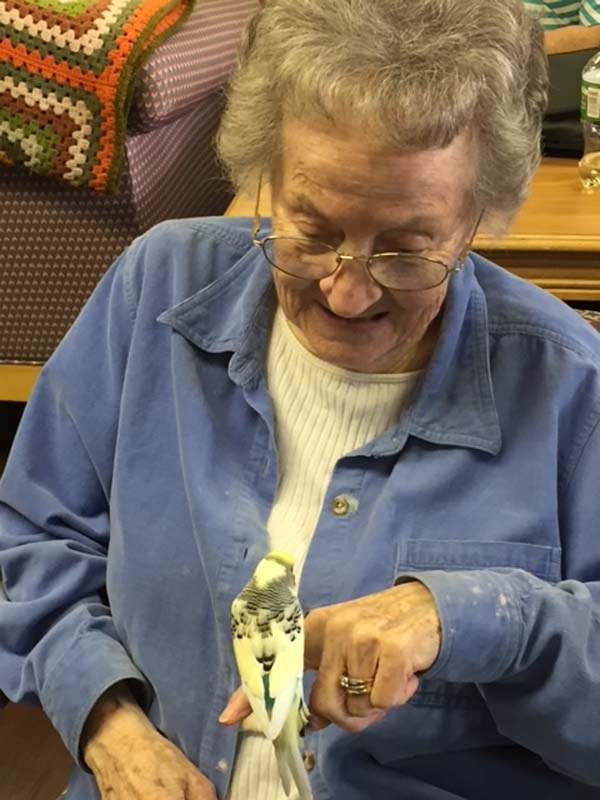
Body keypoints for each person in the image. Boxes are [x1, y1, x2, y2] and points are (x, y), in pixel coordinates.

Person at [1, 0, 600, 798]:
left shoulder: (571, 389)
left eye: (406, 251)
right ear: (263, 174)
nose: (347, 293)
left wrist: (476, 618)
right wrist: (109, 727)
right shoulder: (155, 293)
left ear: (478, 218)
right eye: (310, 230)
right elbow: (32, 540)